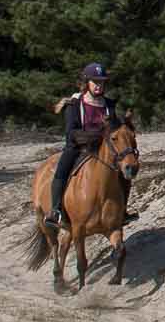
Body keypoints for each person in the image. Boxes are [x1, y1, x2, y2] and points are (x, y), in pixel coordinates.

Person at [49, 61, 121, 230]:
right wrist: (96, 137)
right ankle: (56, 210)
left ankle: (122, 210)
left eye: (102, 82)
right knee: (62, 169)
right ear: (87, 82)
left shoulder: (109, 105)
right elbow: (71, 132)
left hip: (104, 150)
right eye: (95, 82)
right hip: (78, 147)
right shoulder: (74, 104)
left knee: (125, 172)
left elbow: (115, 129)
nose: (99, 85)